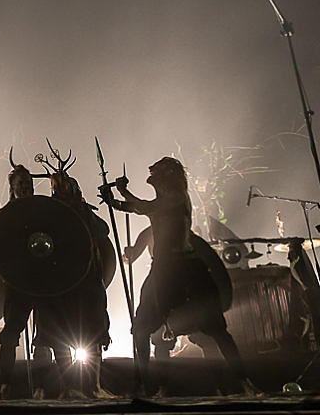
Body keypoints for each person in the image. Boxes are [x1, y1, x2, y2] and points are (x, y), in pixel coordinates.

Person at [100, 157, 259, 395]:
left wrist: (119, 195)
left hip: (186, 270)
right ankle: (147, 386)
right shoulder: (161, 202)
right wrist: (117, 197)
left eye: (156, 172)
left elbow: (143, 207)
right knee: (141, 329)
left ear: (167, 178)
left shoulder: (176, 198)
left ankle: (244, 382)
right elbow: (144, 208)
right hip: (162, 271)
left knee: (215, 330)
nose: (150, 174)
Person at [46, 173, 113, 398]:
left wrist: (83, 210)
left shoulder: (84, 211)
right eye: (59, 188)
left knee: (93, 334)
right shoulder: (50, 213)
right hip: (61, 283)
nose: (63, 192)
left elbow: (102, 230)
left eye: (67, 187)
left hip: (86, 281)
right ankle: (70, 386)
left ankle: (92, 386)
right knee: (58, 335)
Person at [0, 163, 38, 398]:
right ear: (12, 187)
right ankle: (4, 384)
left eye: (28, 184)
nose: (25, 188)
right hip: (17, 282)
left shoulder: (45, 209)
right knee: (10, 335)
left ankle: (45, 386)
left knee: (51, 332)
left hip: (45, 280)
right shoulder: (3, 214)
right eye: (21, 184)